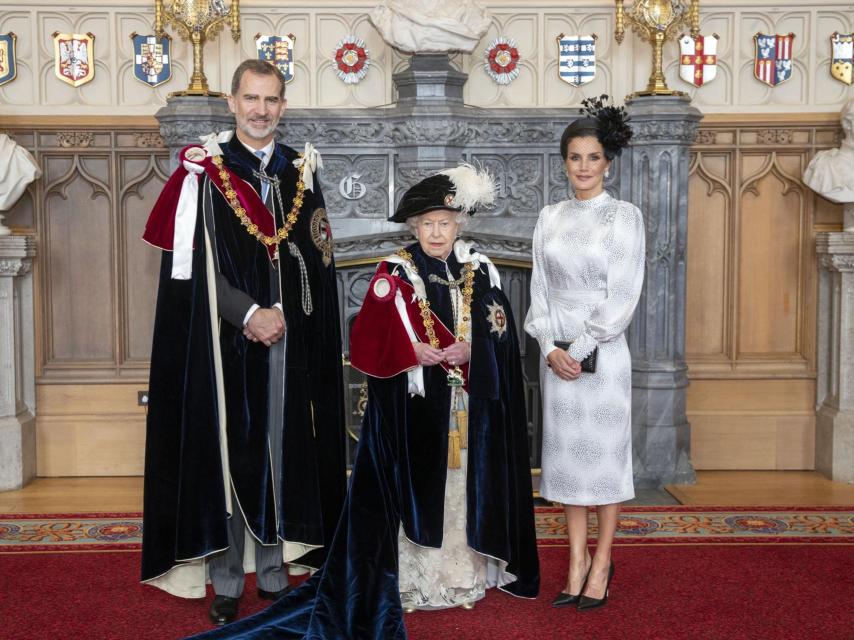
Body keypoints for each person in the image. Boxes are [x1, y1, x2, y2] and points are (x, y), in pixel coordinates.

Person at [189, 164, 540, 639]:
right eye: (428, 224)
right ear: (415, 227)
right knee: (418, 493)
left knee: (461, 491)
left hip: (464, 406)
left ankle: (462, 576)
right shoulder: (393, 272)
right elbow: (367, 342)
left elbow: (501, 331)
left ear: (460, 224)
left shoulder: (481, 269)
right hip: (412, 411)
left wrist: (474, 348)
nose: (436, 233)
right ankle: (416, 583)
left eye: (446, 223)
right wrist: (410, 351)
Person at [140, 59, 347, 627]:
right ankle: (229, 578)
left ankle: (277, 572)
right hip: (224, 342)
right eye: (251, 99)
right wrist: (250, 313)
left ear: (283, 105)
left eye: (272, 100)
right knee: (234, 452)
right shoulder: (205, 173)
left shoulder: (297, 172)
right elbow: (194, 269)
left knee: (284, 450)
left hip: (290, 340)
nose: (261, 110)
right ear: (231, 102)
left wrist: (287, 317)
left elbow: (316, 261)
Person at [524, 95, 644, 611]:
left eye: (593, 157)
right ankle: (574, 562)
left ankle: (602, 562)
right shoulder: (549, 217)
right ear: (565, 161)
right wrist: (550, 347)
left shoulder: (625, 217)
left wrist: (583, 346)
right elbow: (538, 291)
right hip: (559, 361)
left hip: (604, 355)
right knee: (568, 467)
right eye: (575, 157)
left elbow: (624, 293)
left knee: (605, 465)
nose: (584, 167)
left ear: (608, 163)